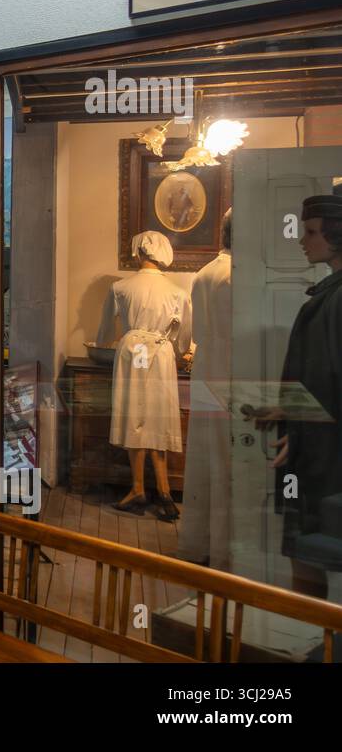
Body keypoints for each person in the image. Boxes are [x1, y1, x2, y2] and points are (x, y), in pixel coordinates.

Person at [252, 194, 342, 598]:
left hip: (326, 456)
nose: (302, 241)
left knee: (310, 549)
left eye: (311, 232)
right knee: (307, 549)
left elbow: (331, 381)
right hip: (317, 447)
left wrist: (302, 429)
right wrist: (287, 410)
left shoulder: (337, 299)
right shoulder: (329, 294)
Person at [96, 230, 193, 521]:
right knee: (158, 417)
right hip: (161, 354)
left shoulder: (121, 287)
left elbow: (103, 334)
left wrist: (105, 342)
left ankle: (140, 488)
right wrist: (183, 350)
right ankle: (162, 490)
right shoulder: (178, 292)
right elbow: (185, 340)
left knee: (133, 417)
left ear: (139, 253)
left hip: (131, 352)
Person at [179, 210, 233, 569]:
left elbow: (194, 334)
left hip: (205, 368)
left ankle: (200, 541)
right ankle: (227, 550)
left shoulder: (203, 274)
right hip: (232, 369)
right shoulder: (237, 276)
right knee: (230, 462)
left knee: (204, 458)